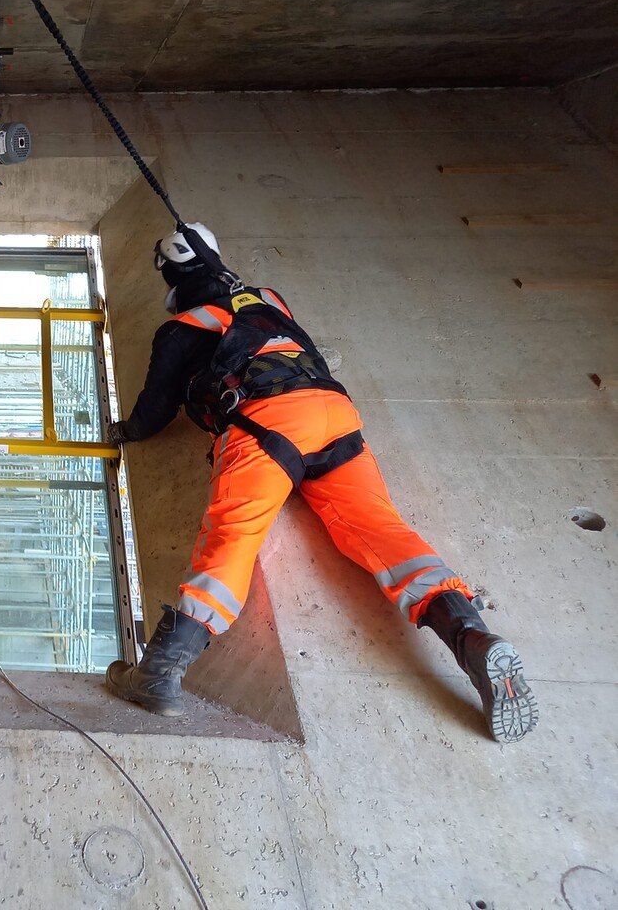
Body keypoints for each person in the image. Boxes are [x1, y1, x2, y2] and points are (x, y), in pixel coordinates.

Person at [103, 224, 538, 743]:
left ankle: (159, 670)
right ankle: (470, 637)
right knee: (384, 534)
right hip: (337, 417)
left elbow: (154, 412)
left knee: (233, 540)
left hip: (265, 423)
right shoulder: (268, 299)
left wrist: (124, 431)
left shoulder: (181, 329)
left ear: (170, 279)